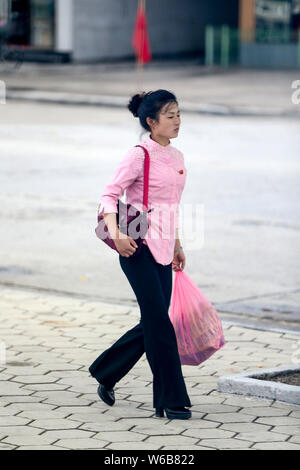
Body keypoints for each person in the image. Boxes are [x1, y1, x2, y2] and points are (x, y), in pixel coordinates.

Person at [88, 89, 192, 420]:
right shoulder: (138, 155)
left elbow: (171, 207)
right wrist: (116, 234)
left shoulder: (177, 157)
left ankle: (106, 370)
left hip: (164, 248)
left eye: (178, 114)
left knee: (154, 321)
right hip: (137, 248)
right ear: (151, 121)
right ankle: (171, 400)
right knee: (161, 325)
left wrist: (176, 244)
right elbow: (108, 194)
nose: (177, 121)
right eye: (171, 115)